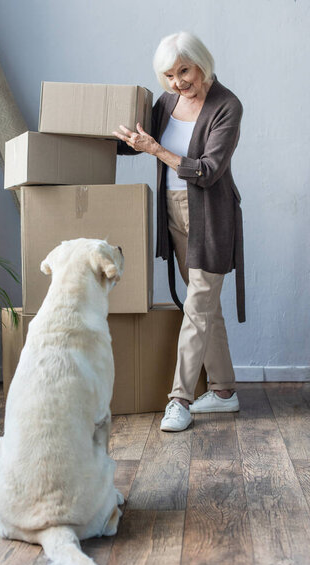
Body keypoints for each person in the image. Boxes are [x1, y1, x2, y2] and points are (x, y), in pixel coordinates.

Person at [113, 31, 245, 432]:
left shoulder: (227, 105)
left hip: (210, 214)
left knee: (197, 307)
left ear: (201, 62)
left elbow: (206, 170)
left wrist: (157, 151)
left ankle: (180, 400)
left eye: (183, 70)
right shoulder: (167, 102)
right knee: (205, 306)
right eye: (168, 75)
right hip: (172, 211)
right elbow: (140, 142)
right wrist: (112, 135)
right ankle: (224, 391)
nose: (177, 82)